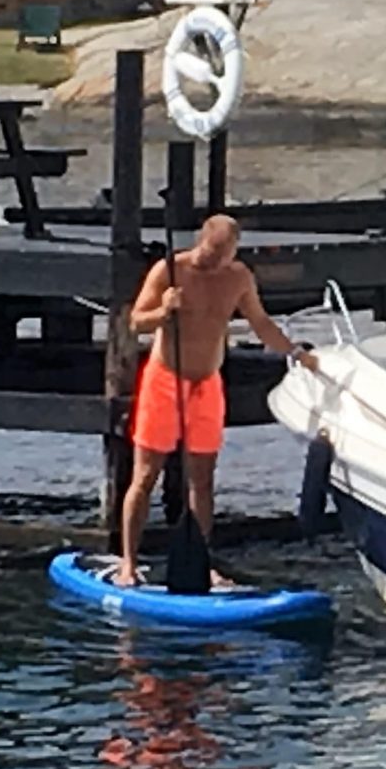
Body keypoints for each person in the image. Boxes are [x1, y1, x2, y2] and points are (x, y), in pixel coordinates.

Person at [116, 214, 316, 588]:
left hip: (206, 385)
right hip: (164, 381)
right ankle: (128, 562)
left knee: (202, 480)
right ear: (200, 243)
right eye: (209, 253)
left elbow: (260, 323)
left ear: (233, 251)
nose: (212, 262)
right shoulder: (171, 270)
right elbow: (136, 321)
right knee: (145, 475)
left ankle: (200, 560)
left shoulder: (238, 277)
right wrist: (164, 311)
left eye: (221, 255)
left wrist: (293, 351)